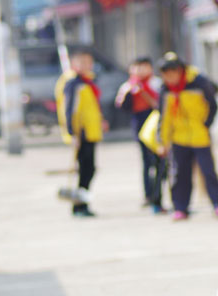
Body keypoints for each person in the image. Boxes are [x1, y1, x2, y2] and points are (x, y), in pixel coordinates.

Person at [157, 51, 218, 220]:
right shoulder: (165, 90)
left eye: (172, 74)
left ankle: (216, 203)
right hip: (178, 138)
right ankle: (181, 207)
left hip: (200, 136)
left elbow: (212, 106)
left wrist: (205, 124)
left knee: (208, 172)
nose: (169, 78)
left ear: (180, 70)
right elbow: (163, 117)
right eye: (165, 75)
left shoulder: (199, 82)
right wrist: (162, 141)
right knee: (179, 174)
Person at [59, 49, 107, 217]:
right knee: (85, 169)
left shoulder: (88, 82)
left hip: (91, 132)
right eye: (82, 62)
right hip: (81, 133)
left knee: (90, 169)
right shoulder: (73, 83)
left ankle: (83, 203)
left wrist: (101, 121)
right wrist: (72, 133)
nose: (87, 65)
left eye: (89, 62)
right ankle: (79, 205)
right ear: (74, 64)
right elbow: (69, 109)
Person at [115, 56, 166, 213]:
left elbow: (159, 104)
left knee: (159, 161)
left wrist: (144, 92)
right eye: (137, 67)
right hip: (139, 124)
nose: (140, 70)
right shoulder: (127, 86)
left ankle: (157, 193)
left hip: (155, 123)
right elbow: (122, 106)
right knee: (146, 161)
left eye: (144, 67)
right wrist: (131, 92)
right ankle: (148, 194)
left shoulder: (156, 83)